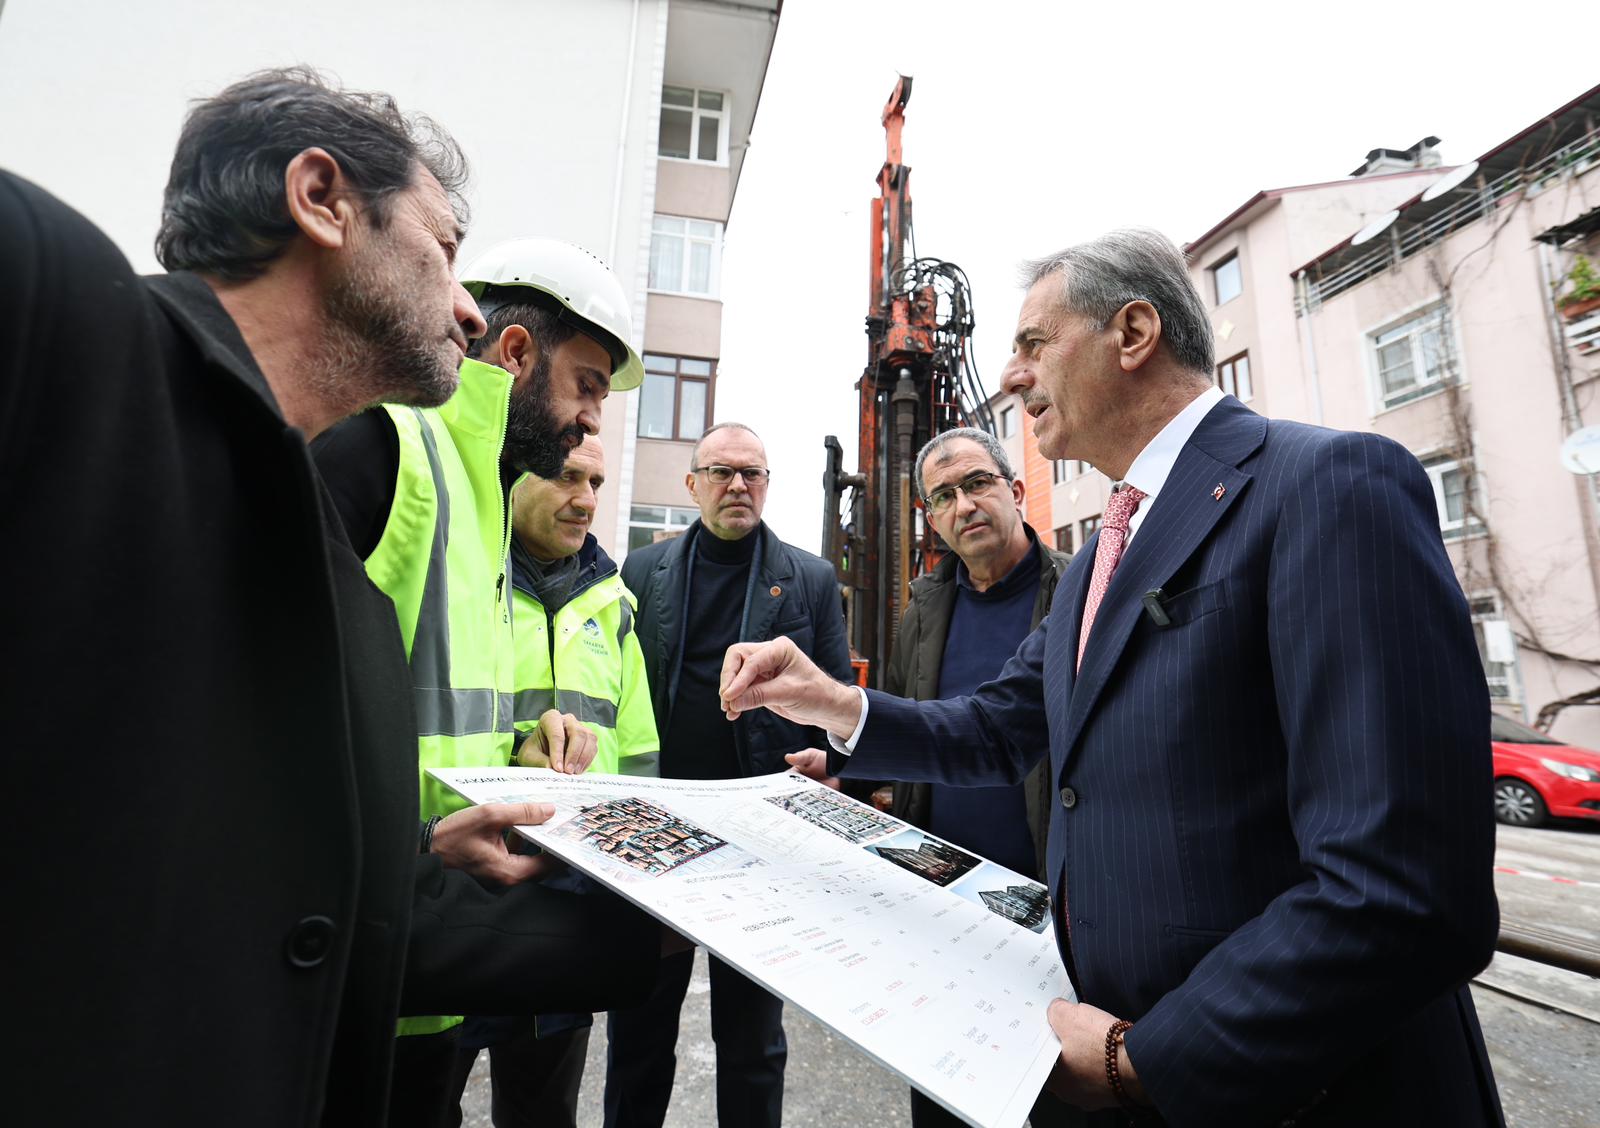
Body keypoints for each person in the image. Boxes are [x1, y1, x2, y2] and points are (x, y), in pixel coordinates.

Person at [719, 229, 1504, 1127]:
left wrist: (1148, 1062)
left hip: (1299, 1089)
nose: (1011, 376)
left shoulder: (1326, 486)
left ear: (1133, 334)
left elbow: (1404, 889)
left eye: (1033, 344)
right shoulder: (1100, 555)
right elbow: (999, 727)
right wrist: (830, 700)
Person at [2, 67, 651, 1128]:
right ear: (320, 197)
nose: (465, 305)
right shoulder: (54, 303)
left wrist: (672, 922)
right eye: (444, 248)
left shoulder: (346, 589)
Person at [311, 235, 649, 1125]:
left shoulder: (482, 504)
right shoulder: (384, 447)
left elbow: (429, 718)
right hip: (346, 971)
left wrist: (523, 750)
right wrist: (418, 849)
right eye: (587, 385)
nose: (591, 421)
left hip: (428, 969)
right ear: (516, 355)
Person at [607, 422, 853, 1128]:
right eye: (721, 472)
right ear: (693, 485)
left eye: (753, 473)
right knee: (639, 1030)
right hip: (658, 832)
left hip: (760, 836)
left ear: (768, 486)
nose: (738, 485)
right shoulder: (644, 572)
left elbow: (837, 700)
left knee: (751, 1040)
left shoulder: (807, 579)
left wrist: (831, 763)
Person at [447, 433, 659, 1127]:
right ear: (512, 479)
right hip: (455, 893)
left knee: (543, 1111)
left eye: (596, 482)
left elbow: (639, 756)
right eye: (567, 476)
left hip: (564, 906)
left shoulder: (615, 602)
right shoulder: (461, 577)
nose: (587, 500)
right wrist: (516, 760)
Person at [882, 427, 1078, 1128]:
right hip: (943, 908)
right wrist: (849, 766)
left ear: (1016, 490)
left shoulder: (1079, 595)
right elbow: (911, 728)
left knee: (1055, 1097)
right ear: (931, 520)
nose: (963, 504)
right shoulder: (924, 611)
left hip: (1050, 912)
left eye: (977, 483)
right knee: (945, 1094)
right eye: (943, 496)